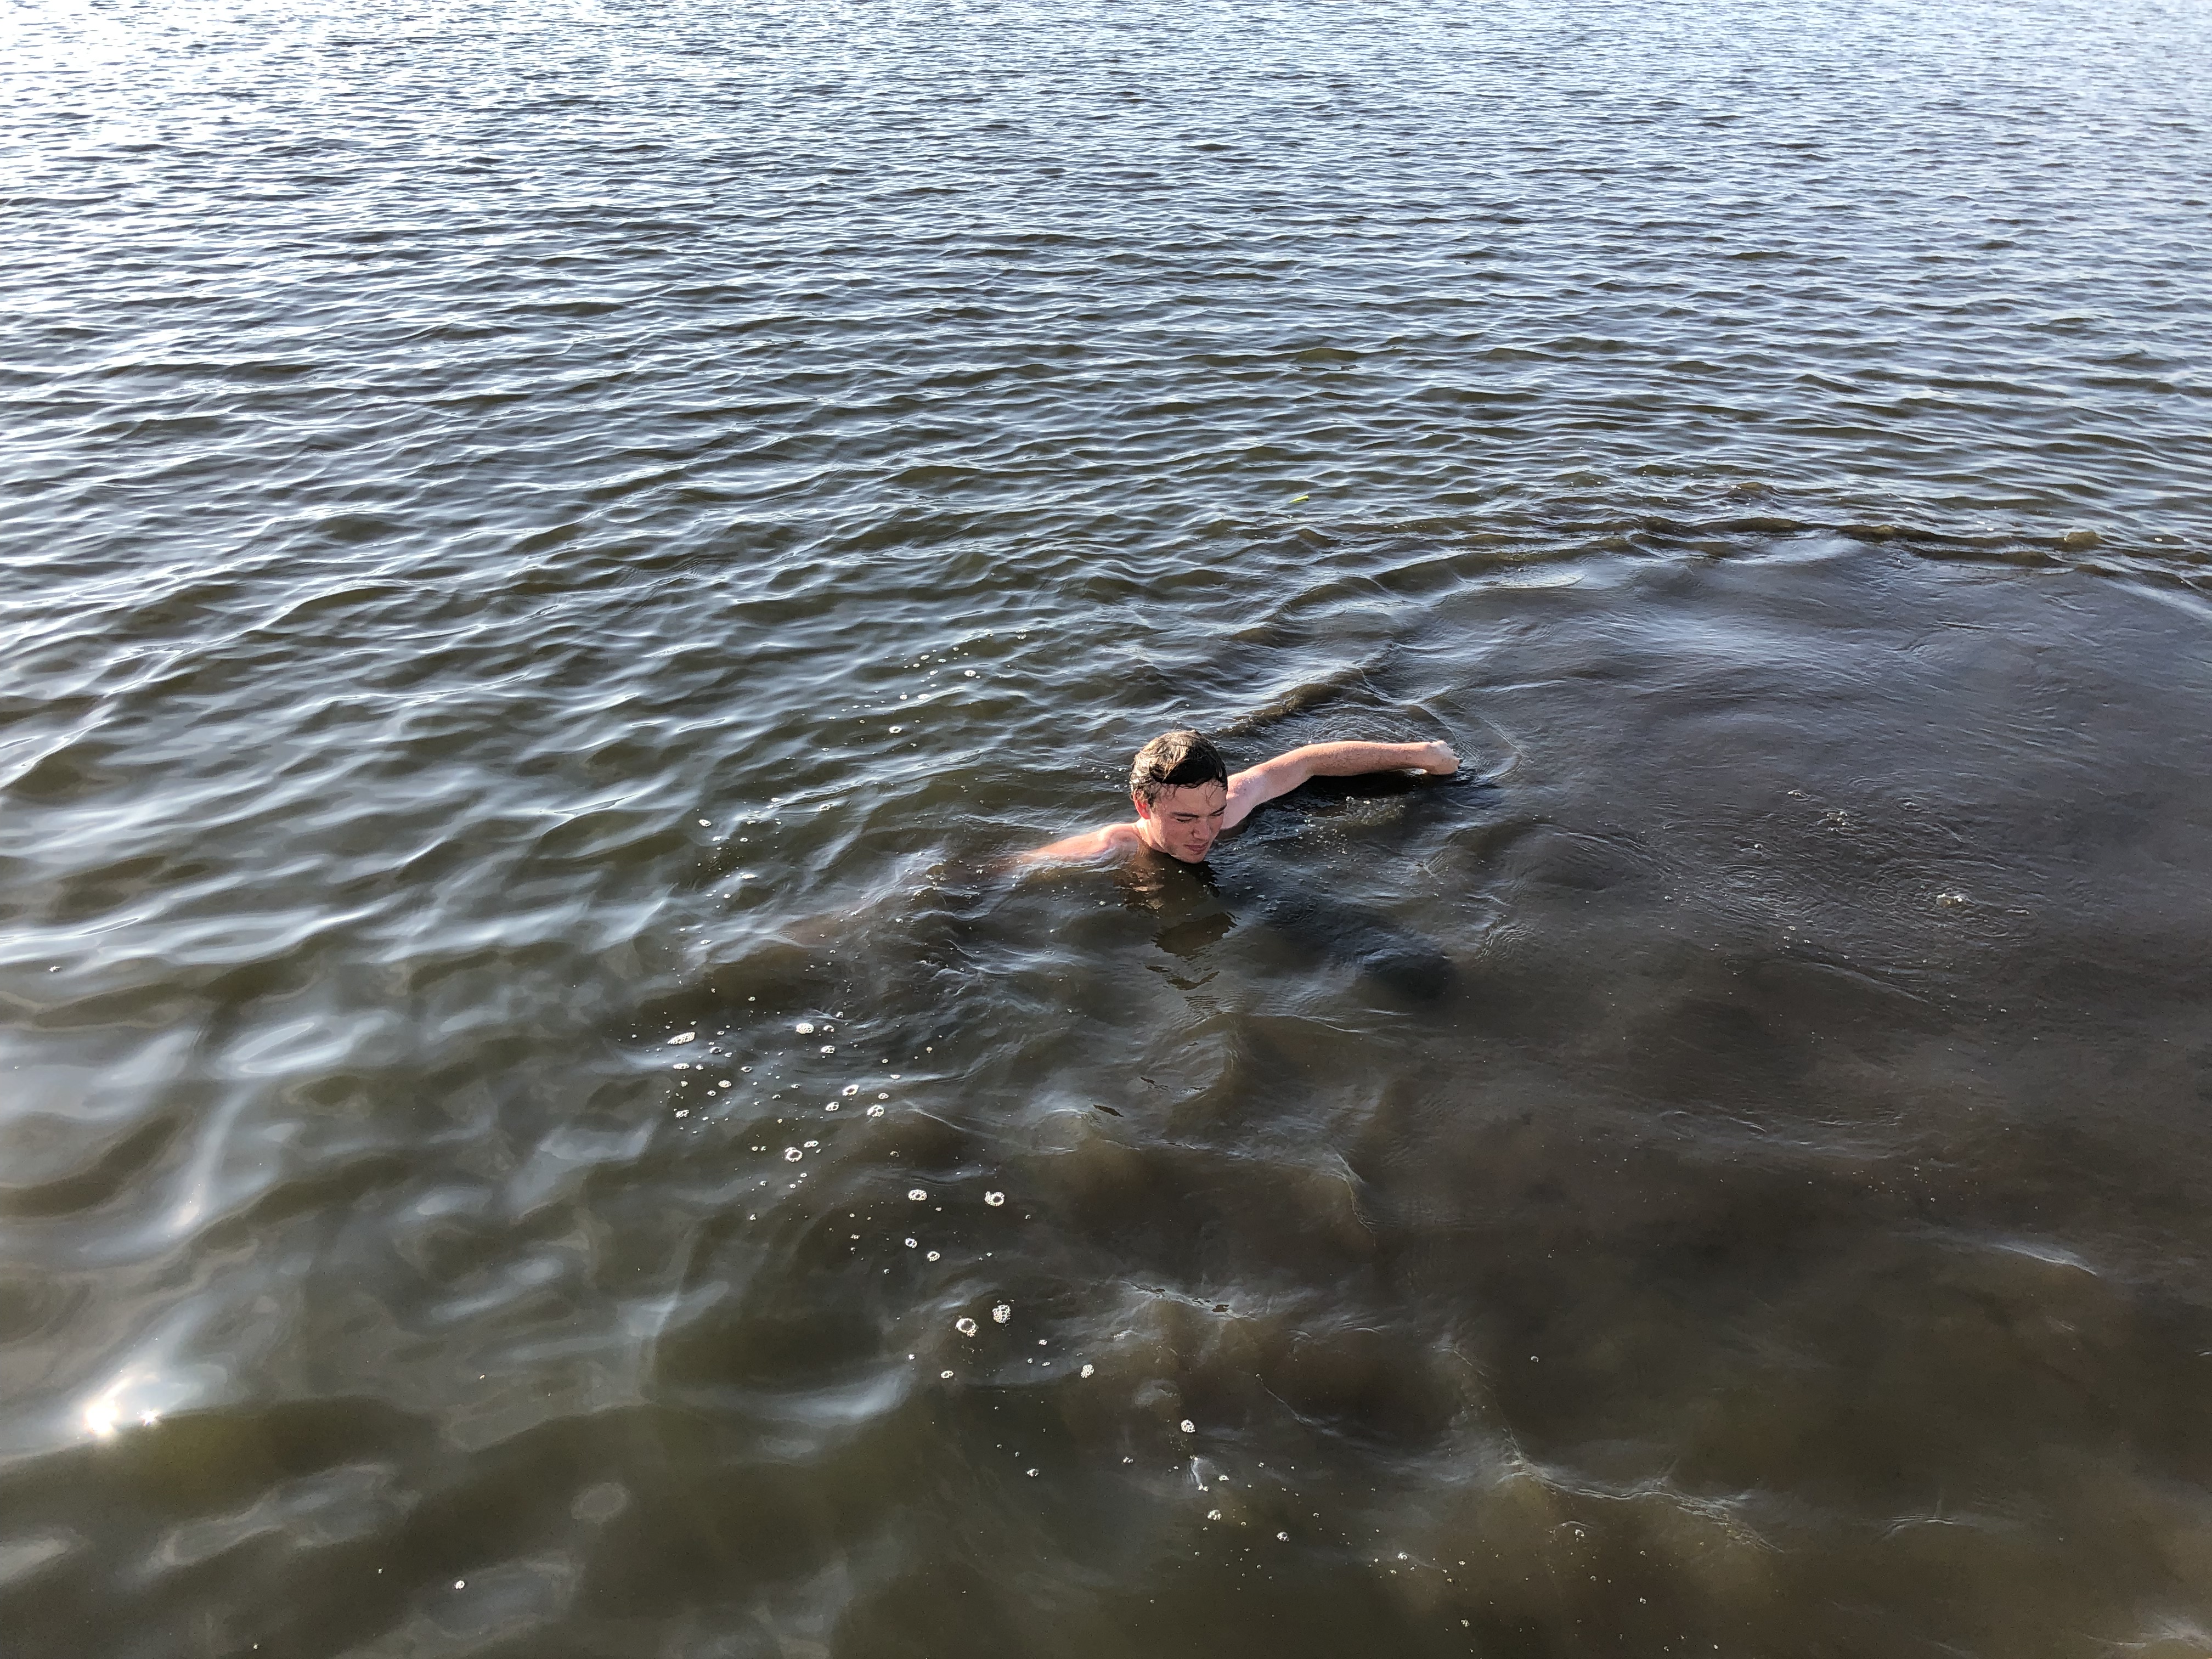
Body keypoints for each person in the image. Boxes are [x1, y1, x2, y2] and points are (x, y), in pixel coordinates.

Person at [1024, 728, 1459, 864]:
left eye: (1212, 813)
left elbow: (1307, 762)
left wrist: (1420, 755)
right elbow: (1020, 866)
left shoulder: (1231, 807)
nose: (1205, 833)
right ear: (1144, 806)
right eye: (1184, 819)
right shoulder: (1114, 846)